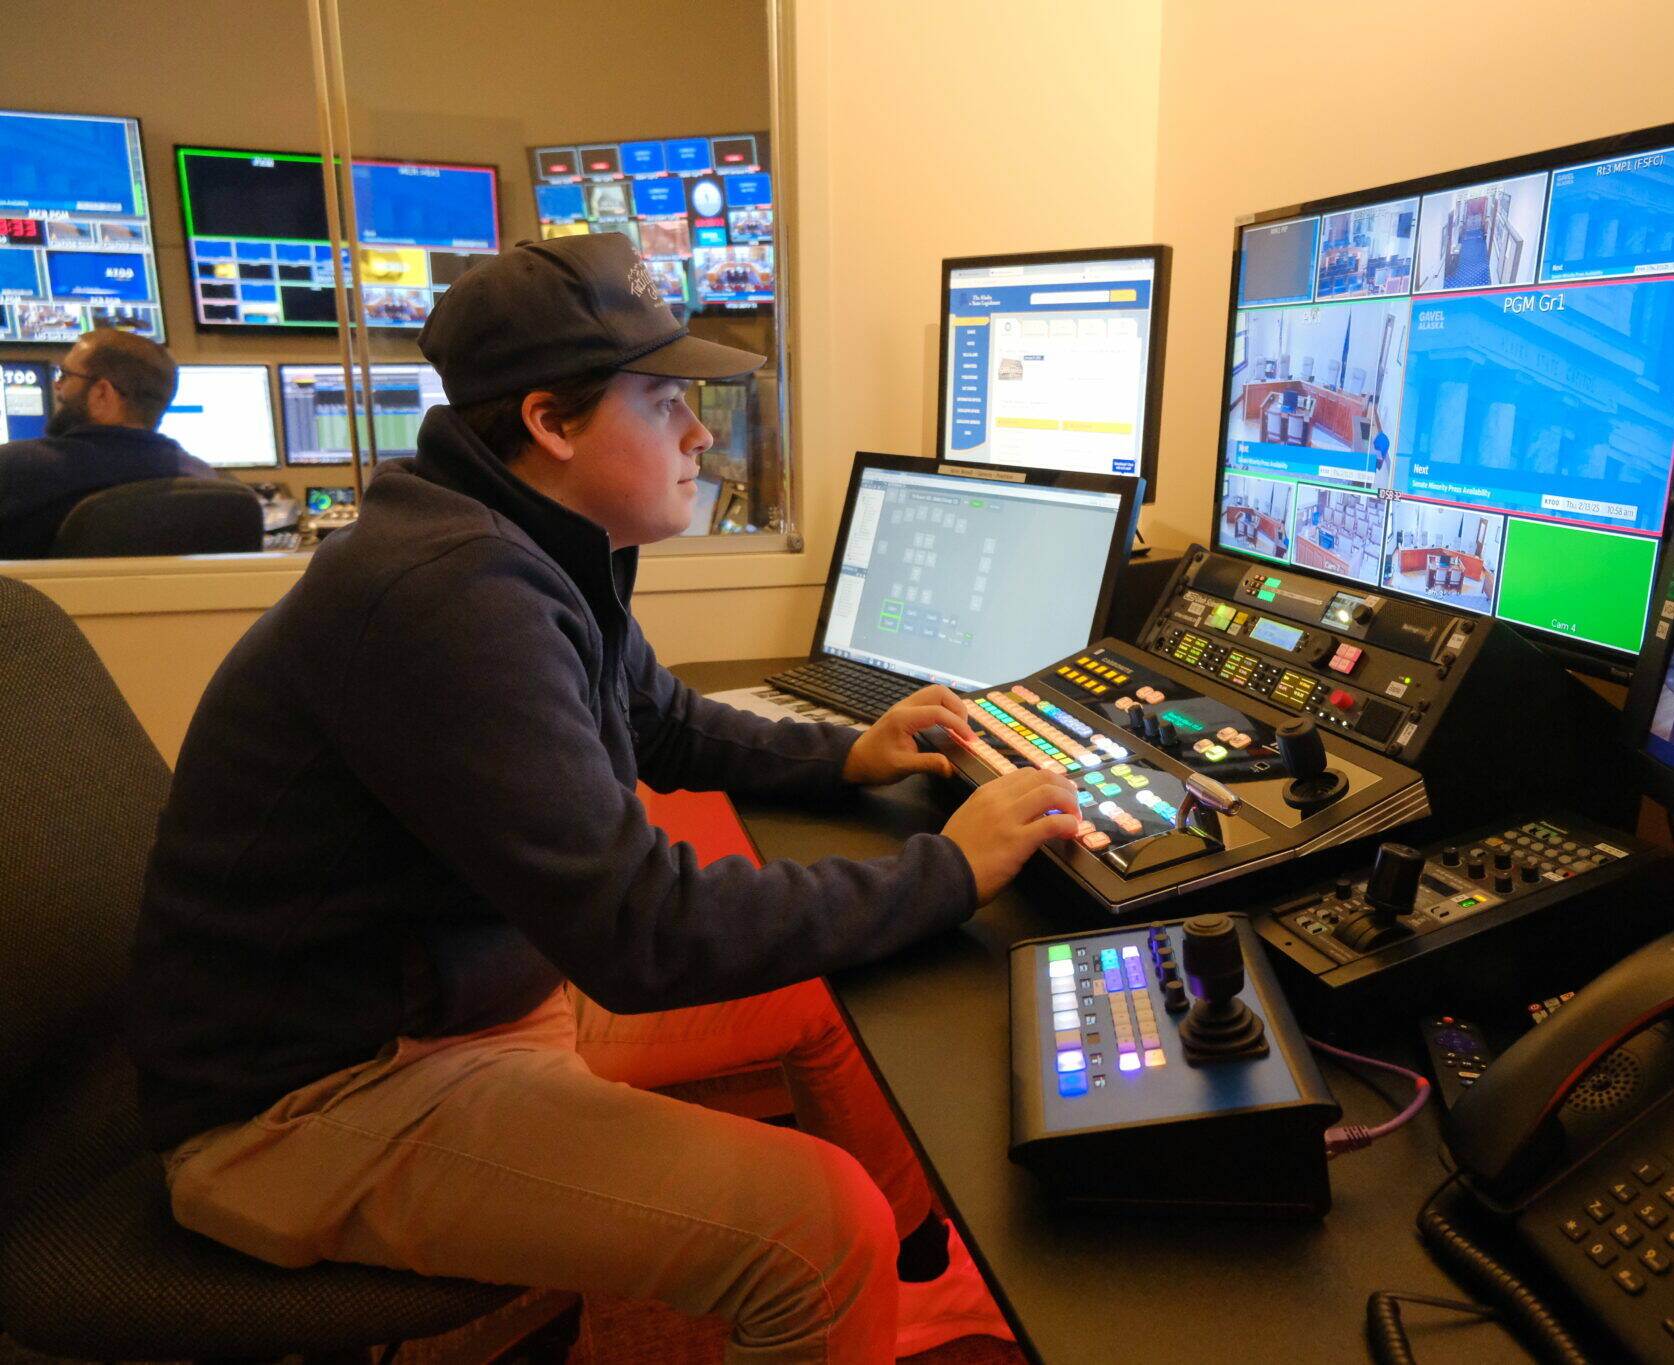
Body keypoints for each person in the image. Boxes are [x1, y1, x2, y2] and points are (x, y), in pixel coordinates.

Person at [128, 232, 1080, 1364]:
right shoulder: (450, 600)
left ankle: (902, 1283)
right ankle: (844, 1283)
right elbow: (644, 933)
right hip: (309, 1103)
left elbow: (658, 716)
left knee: (818, 998)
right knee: (818, 1229)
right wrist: (950, 869)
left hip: (460, 1000)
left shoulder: (516, 537)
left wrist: (842, 757)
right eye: (664, 400)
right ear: (550, 421)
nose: (699, 434)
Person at [0, 329, 216, 560]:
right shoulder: (203, 479)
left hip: (31, 617)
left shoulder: (14, 467)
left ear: (102, 393)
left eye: (65, 375)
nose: (56, 385)